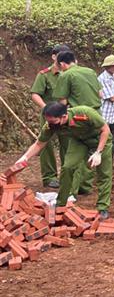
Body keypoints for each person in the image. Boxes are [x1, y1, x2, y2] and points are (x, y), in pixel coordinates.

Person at [11, 102, 114, 219]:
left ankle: (103, 208)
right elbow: (39, 144)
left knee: (104, 174)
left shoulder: (84, 113)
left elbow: (105, 130)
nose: (51, 125)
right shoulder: (51, 124)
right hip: (79, 141)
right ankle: (61, 203)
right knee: (68, 167)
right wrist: (25, 157)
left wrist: (98, 152)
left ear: (64, 116)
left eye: (54, 122)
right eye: (49, 121)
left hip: (100, 140)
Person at [53, 50, 102, 196]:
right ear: (75, 60)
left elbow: (61, 101)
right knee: (90, 150)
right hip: (96, 115)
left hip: (78, 118)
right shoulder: (91, 72)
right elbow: (100, 94)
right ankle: (85, 186)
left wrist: (64, 116)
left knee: (75, 153)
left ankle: (70, 192)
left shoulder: (65, 75)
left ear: (62, 64)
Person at [29, 44, 69, 189]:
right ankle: (49, 177)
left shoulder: (70, 74)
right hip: (49, 116)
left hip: (66, 115)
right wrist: (46, 108)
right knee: (46, 145)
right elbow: (35, 94)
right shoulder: (44, 75)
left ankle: (67, 175)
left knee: (68, 144)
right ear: (54, 56)